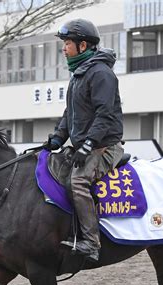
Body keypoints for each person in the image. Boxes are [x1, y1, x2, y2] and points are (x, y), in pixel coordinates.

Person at [44, 18, 124, 262]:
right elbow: (71, 114)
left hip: (105, 147)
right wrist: (57, 138)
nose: (63, 48)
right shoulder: (78, 74)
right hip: (85, 146)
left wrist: (88, 144)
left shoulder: (101, 74)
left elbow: (105, 114)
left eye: (67, 43)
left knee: (77, 182)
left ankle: (91, 242)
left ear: (83, 46)